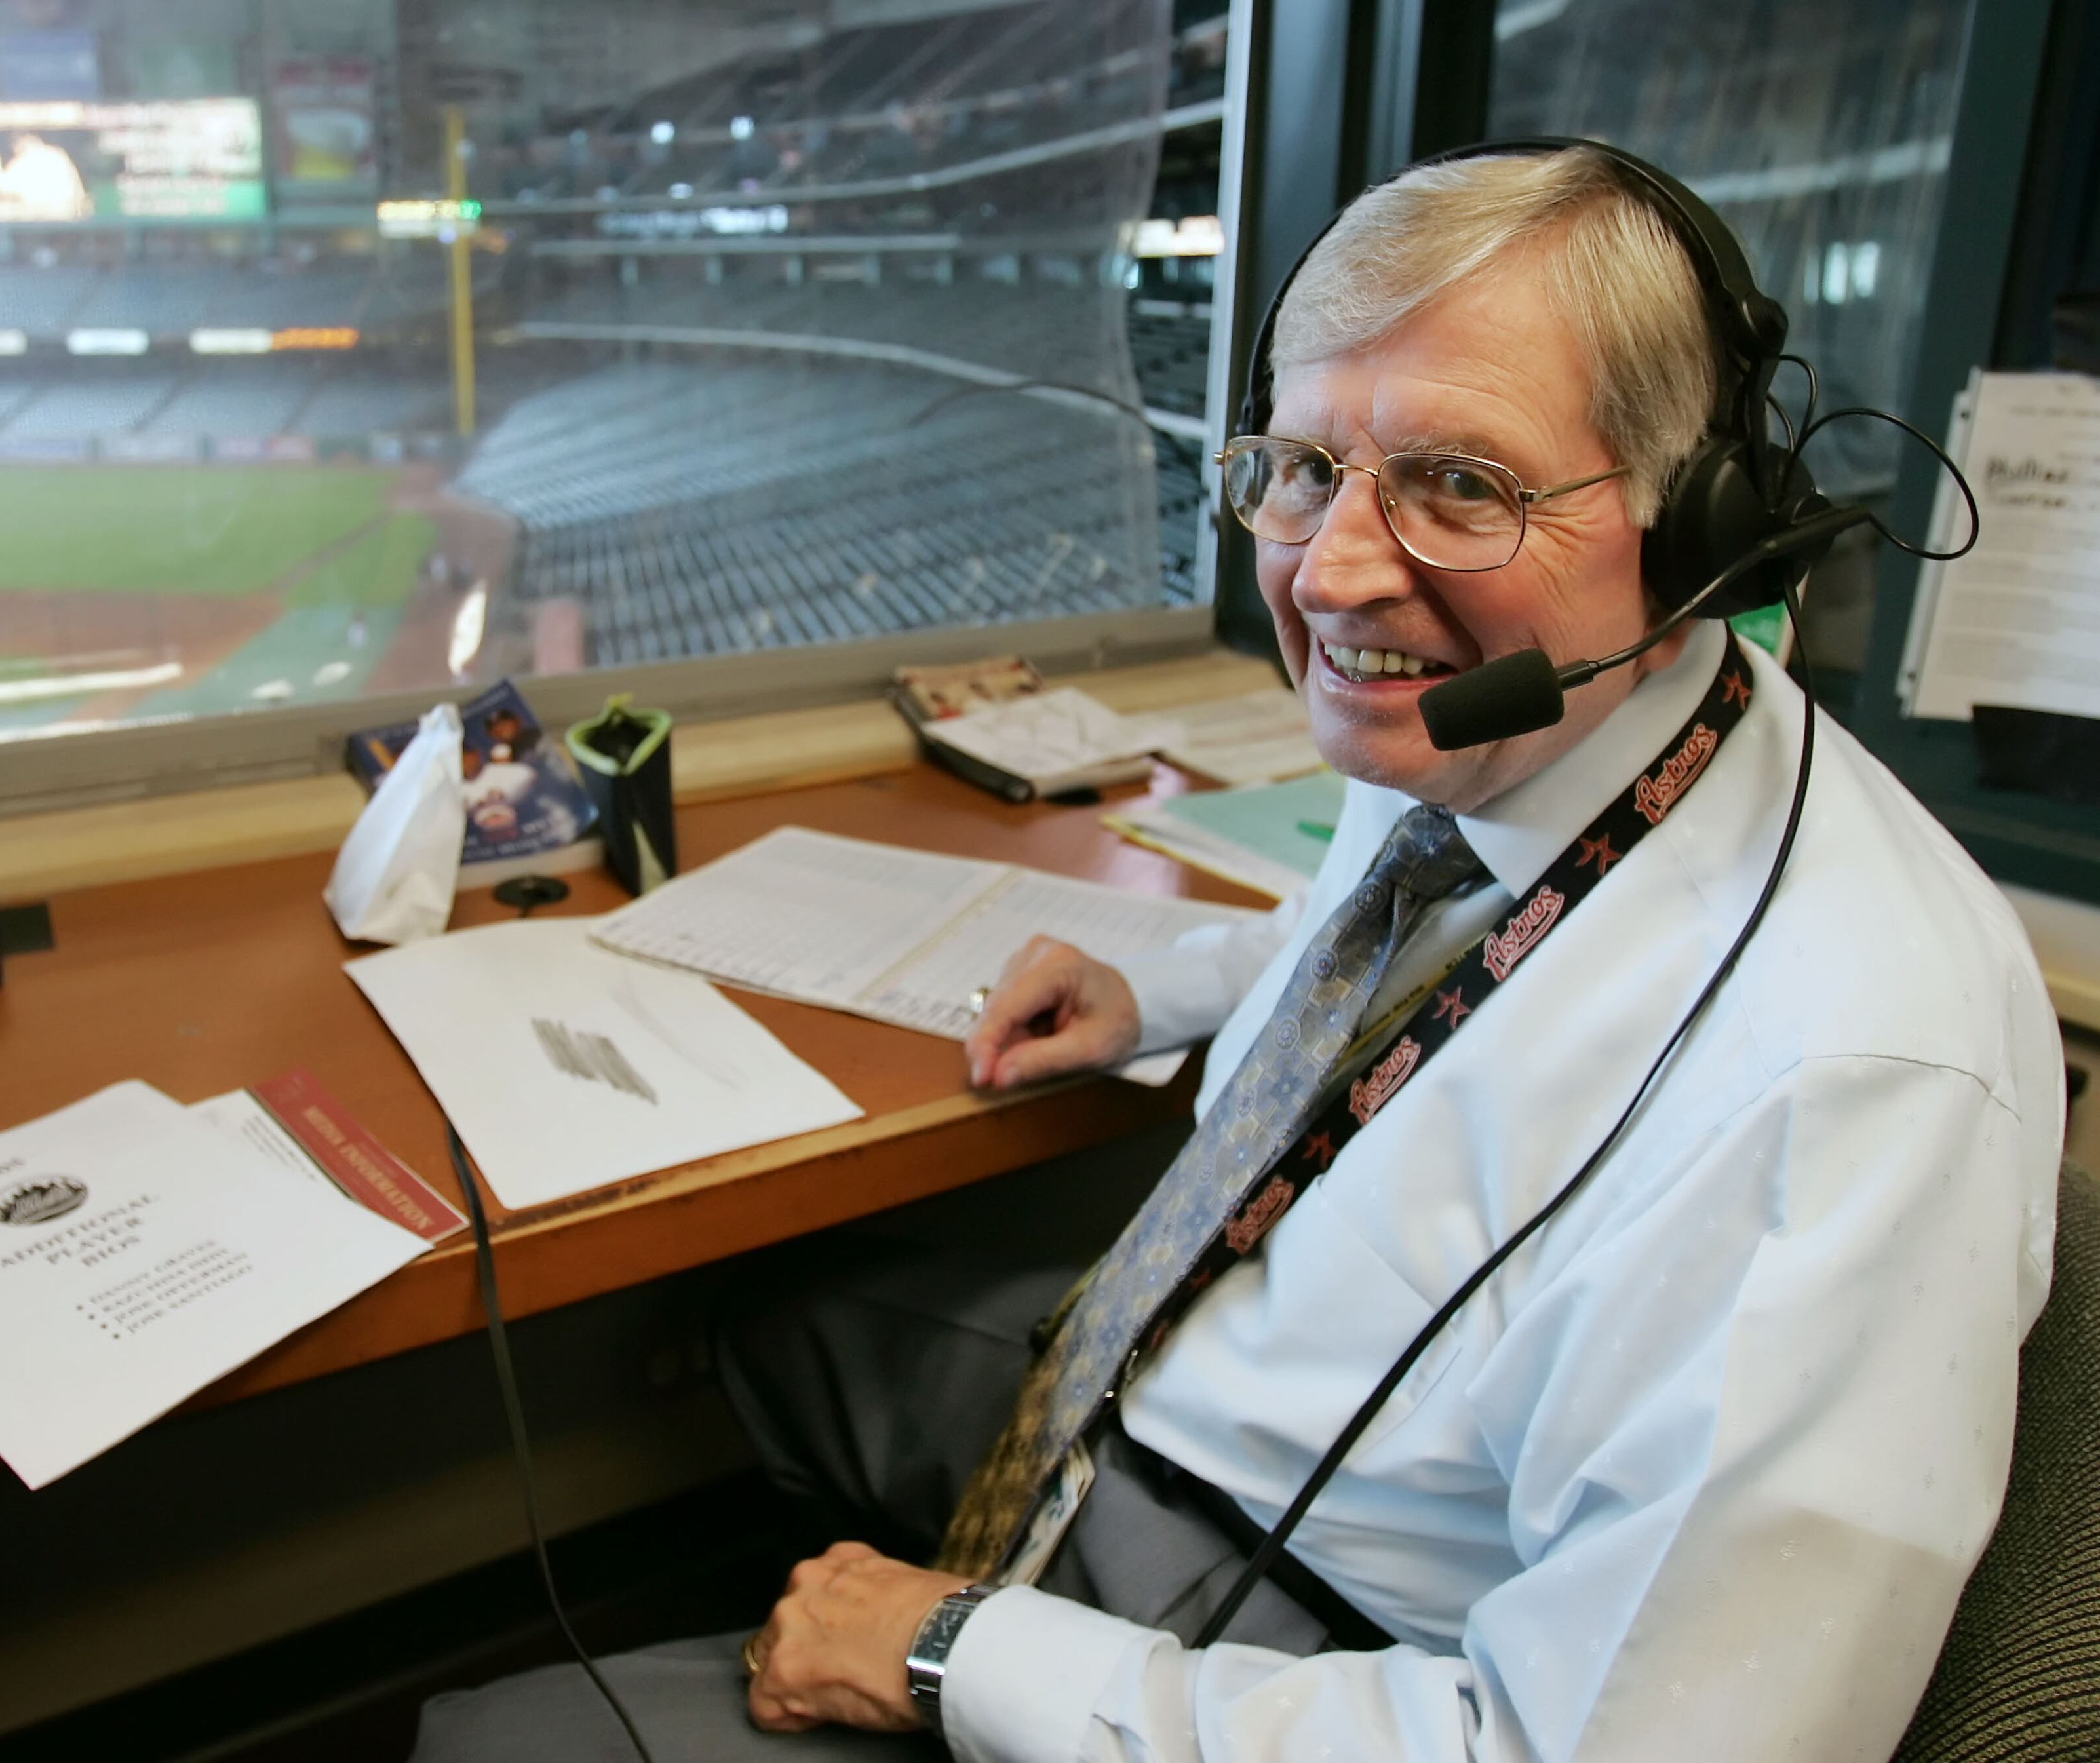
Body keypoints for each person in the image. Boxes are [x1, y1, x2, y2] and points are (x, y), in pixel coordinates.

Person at [415, 145, 2063, 1762]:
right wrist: (1183, 987)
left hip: (1331, 1625)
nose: (1331, 571)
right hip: (1178, 1365)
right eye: (1298, 464)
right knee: (769, 1320)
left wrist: (944, 1654)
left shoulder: (1839, 1077)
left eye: (1461, 484)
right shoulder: (1509, 728)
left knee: (487, 1737)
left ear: (1698, 525)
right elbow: (1433, 945)